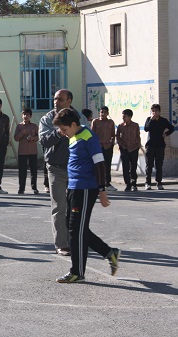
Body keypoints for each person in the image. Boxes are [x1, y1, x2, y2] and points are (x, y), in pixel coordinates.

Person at [52, 108, 121, 283]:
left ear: (73, 125)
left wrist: (102, 190)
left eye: (65, 130)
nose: (63, 133)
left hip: (85, 189)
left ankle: (77, 272)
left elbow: (99, 164)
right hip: (74, 187)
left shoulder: (89, 137)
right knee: (73, 226)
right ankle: (109, 253)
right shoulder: (74, 135)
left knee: (76, 230)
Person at [39, 89, 88, 256]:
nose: (56, 102)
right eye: (54, 99)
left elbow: (86, 138)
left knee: (76, 207)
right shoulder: (47, 119)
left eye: (60, 99)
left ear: (69, 101)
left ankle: (76, 239)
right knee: (59, 207)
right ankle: (62, 244)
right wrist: (59, 132)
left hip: (76, 168)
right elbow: (44, 140)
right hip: (56, 169)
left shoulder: (78, 118)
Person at [144, 103, 175, 190]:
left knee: (159, 165)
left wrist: (166, 134)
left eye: (156, 111)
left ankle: (159, 182)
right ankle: (148, 183)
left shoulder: (163, 121)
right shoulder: (149, 119)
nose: (154, 112)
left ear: (159, 111)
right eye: (153, 111)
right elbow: (146, 129)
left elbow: (171, 128)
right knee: (149, 165)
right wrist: (151, 119)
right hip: (150, 145)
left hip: (160, 145)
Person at [91, 106, 117, 191]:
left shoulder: (110, 122)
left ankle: (107, 183)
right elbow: (92, 134)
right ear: (99, 113)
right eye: (101, 112)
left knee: (107, 165)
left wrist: (112, 143)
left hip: (108, 146)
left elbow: (113, 134)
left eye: (105, 112)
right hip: (98, 147)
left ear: (107, 113)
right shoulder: (95, 121)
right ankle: (98, 183)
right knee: (98, 165)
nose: (103, 114)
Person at [14, 108, 39, 194]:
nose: (25, 116)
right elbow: (16, 138)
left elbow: (39, 137)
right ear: (22, 115)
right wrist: (22, 133)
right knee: (22, 171)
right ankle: (21, 188)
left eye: (27, 115)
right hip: (22, 152)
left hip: (33, 151)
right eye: (24, 114)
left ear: (30, 116)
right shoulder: (19, 126)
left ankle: (34, 188)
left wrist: (33, 138)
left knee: (33, 170)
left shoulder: (34, 126)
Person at [116, 109, 141, 192]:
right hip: (124, 149)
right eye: (122, 116)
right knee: (125, 167)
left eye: (125, 116)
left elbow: (138, 136)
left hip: (134, 148)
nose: (123, 118)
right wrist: (121, 145)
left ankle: (134, 183)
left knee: (133, 167)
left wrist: (138, 145)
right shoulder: (120, 126)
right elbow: (118, 137)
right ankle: (128, 184)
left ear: (130, 117)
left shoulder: (135, 125)